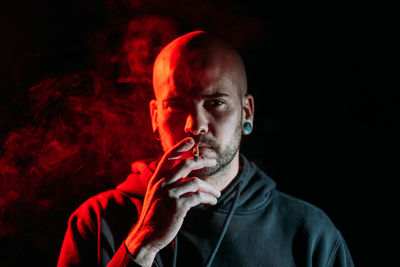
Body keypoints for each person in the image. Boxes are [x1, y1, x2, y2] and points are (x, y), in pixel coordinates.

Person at [57, 31, 354, 267]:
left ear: (246, 113)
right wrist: (143, 244)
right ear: (155, 118)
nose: (194, 124)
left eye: (215, 103)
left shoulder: (309, 232)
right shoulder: (95, 221)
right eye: (175, 104)